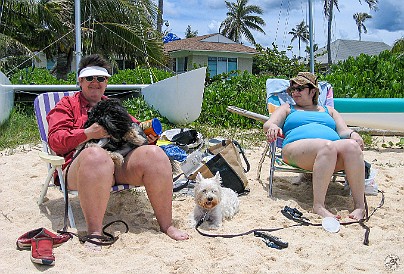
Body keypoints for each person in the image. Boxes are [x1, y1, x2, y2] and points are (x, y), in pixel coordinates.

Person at [47, 54, 189, 249]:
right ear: (80, 80)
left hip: (117, 167)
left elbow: (135, 128)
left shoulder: (112, 106)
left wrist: (148, 137)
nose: (95, 83)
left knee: (155, 155)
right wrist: (88, 133)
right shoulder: (66, 106)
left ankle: (167, 225)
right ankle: (95, 232)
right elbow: (55, 142)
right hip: (80, 169)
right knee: (96, 155)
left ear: (106, 82)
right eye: (90, 78)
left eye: (101, 78)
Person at [263, 72, 366, 220]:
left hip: (330, 152)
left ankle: (359, 207)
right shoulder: (287, 108)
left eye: (299, 88)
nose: (294, 92)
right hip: (296, 149)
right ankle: (318, 206)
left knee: (352, 147)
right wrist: (273, 126)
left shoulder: (329, 110)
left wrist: (353, 135)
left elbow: (344, 131)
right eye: (292, 89)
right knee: (327, 147)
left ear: (313, 91)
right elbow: (268, 124)